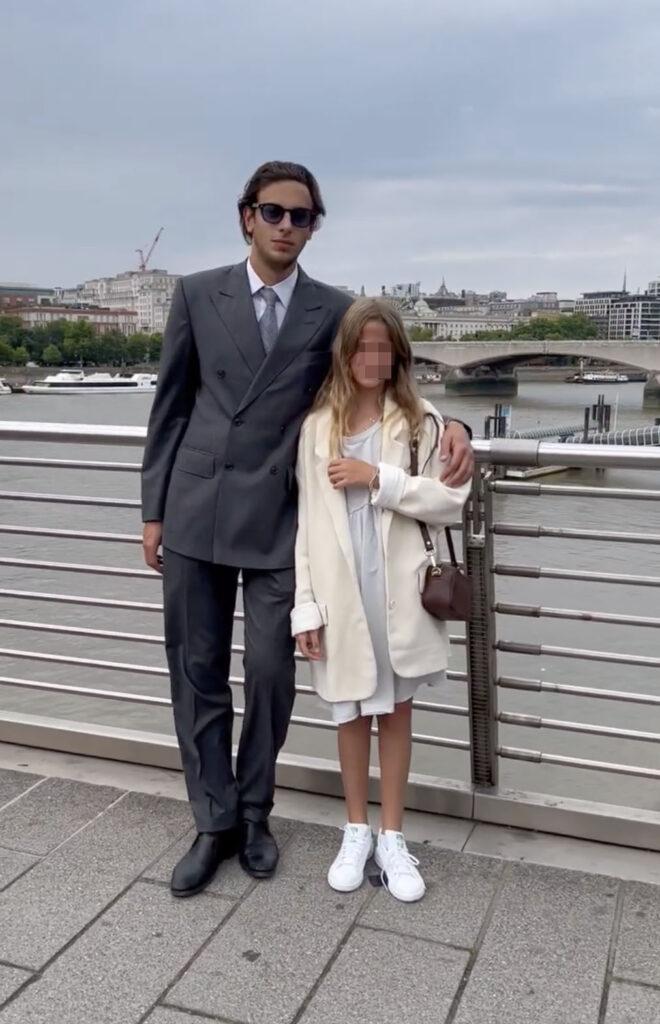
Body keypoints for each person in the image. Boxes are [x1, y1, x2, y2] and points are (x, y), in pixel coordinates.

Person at [141, 160, 474, 898]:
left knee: (271, 671)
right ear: (247, 217)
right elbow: (170, 406)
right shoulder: (196, 293)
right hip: (196, 510)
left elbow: (382, 380)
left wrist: (456, 426)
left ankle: (254, 812)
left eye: (302, 216)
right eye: (274, 212)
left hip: (280, 518)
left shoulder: (334, 309)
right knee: (195, 672)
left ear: (314, 227)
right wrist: (153, 510)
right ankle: (213, 821)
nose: (287, 226)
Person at [291, 298, 470, 902]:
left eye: (382, 347)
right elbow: (307, 527)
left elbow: (451, 501)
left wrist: (378, 480)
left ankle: (393, 835)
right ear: (344, 353)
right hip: (341, 590)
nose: (372, 358)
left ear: (398, 354)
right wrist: (305, 607)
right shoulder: (317, 428)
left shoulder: (422, 421)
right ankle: (356, 830)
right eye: (361, 347)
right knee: (348, 711)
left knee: (395, 712)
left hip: (398, 588)